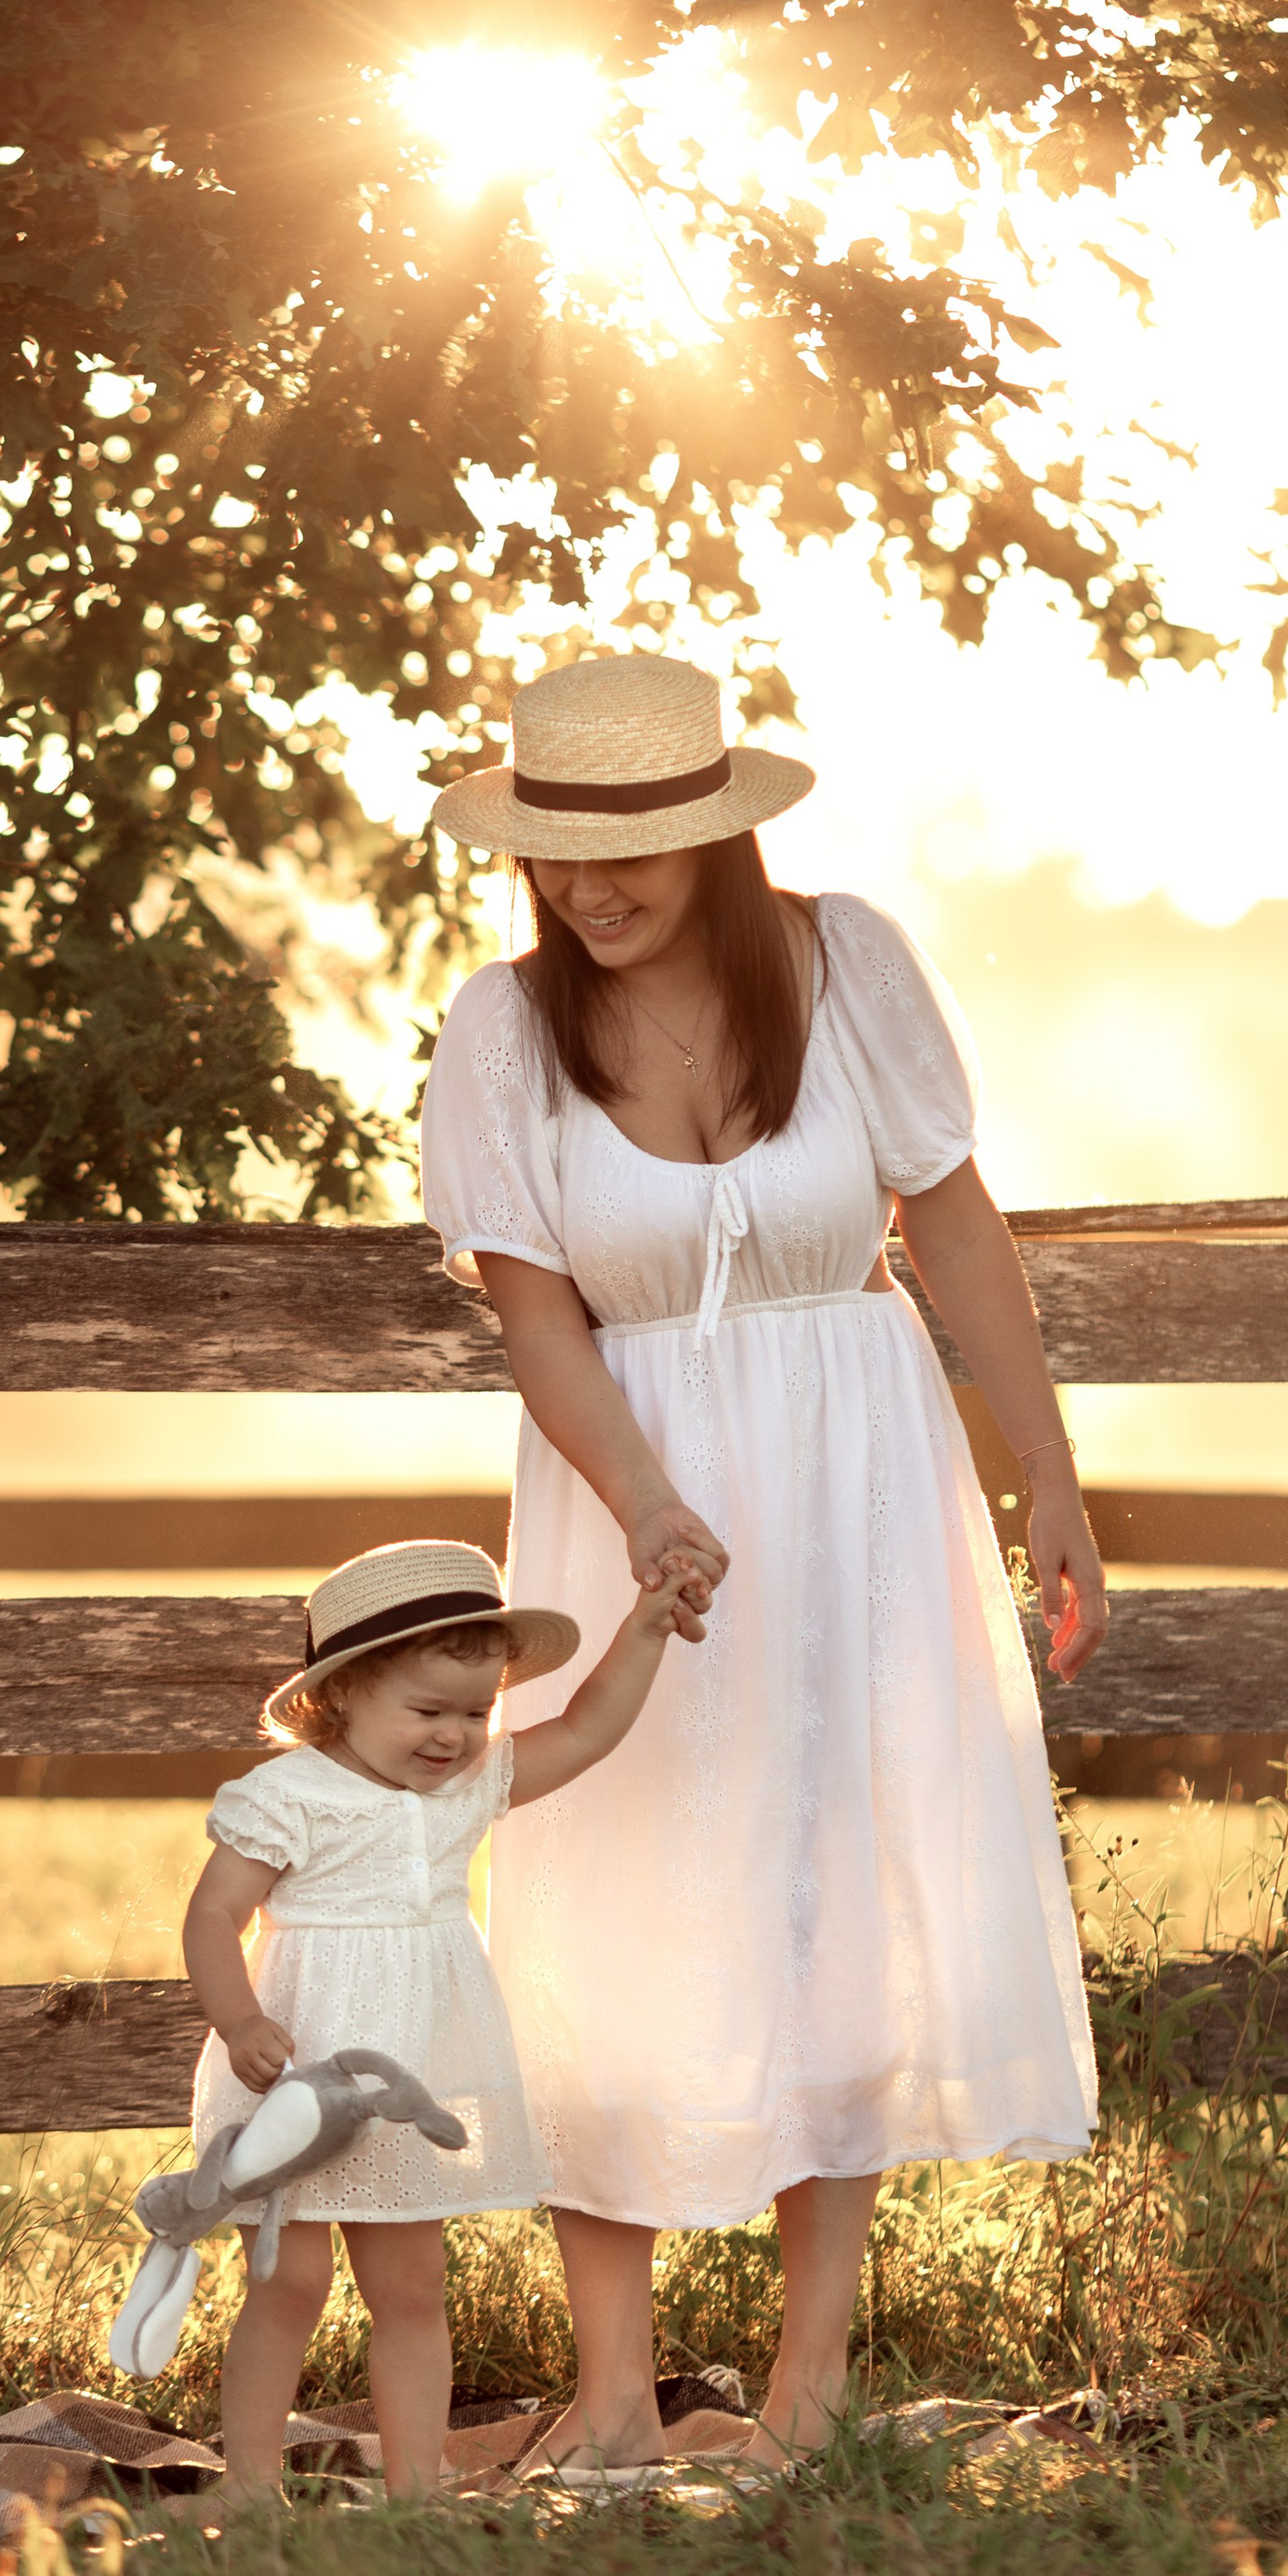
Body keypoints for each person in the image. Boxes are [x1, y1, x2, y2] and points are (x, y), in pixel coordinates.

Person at [418, 647, 1108, 2476]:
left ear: (713, 831)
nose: (590, 887)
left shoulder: (845, 964)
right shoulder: (500, 1032)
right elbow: (538, 1316)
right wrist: (641, 1499)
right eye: (555, 850)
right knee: (610, 1873)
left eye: (632, 843)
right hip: (626, 1489)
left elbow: (952, 1231)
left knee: (830, 1880)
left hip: (858, 1472)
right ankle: (618, 2392)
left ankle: (807, 2387)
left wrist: (1043, 1475)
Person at [181, 1532, 708, 2498]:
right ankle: (248, 2482)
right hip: (294, 2081)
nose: (453, 1736)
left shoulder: (469, 1787)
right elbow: (214, 1914)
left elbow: (587, 1729)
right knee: (288, 2284)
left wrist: (644, 1632)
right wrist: (240, 2018)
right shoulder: (289, 1796)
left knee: (413, 2290)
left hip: (404, 2085)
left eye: (476, 1712)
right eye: (426, 1710)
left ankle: (416, 2491)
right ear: (340, 1697)